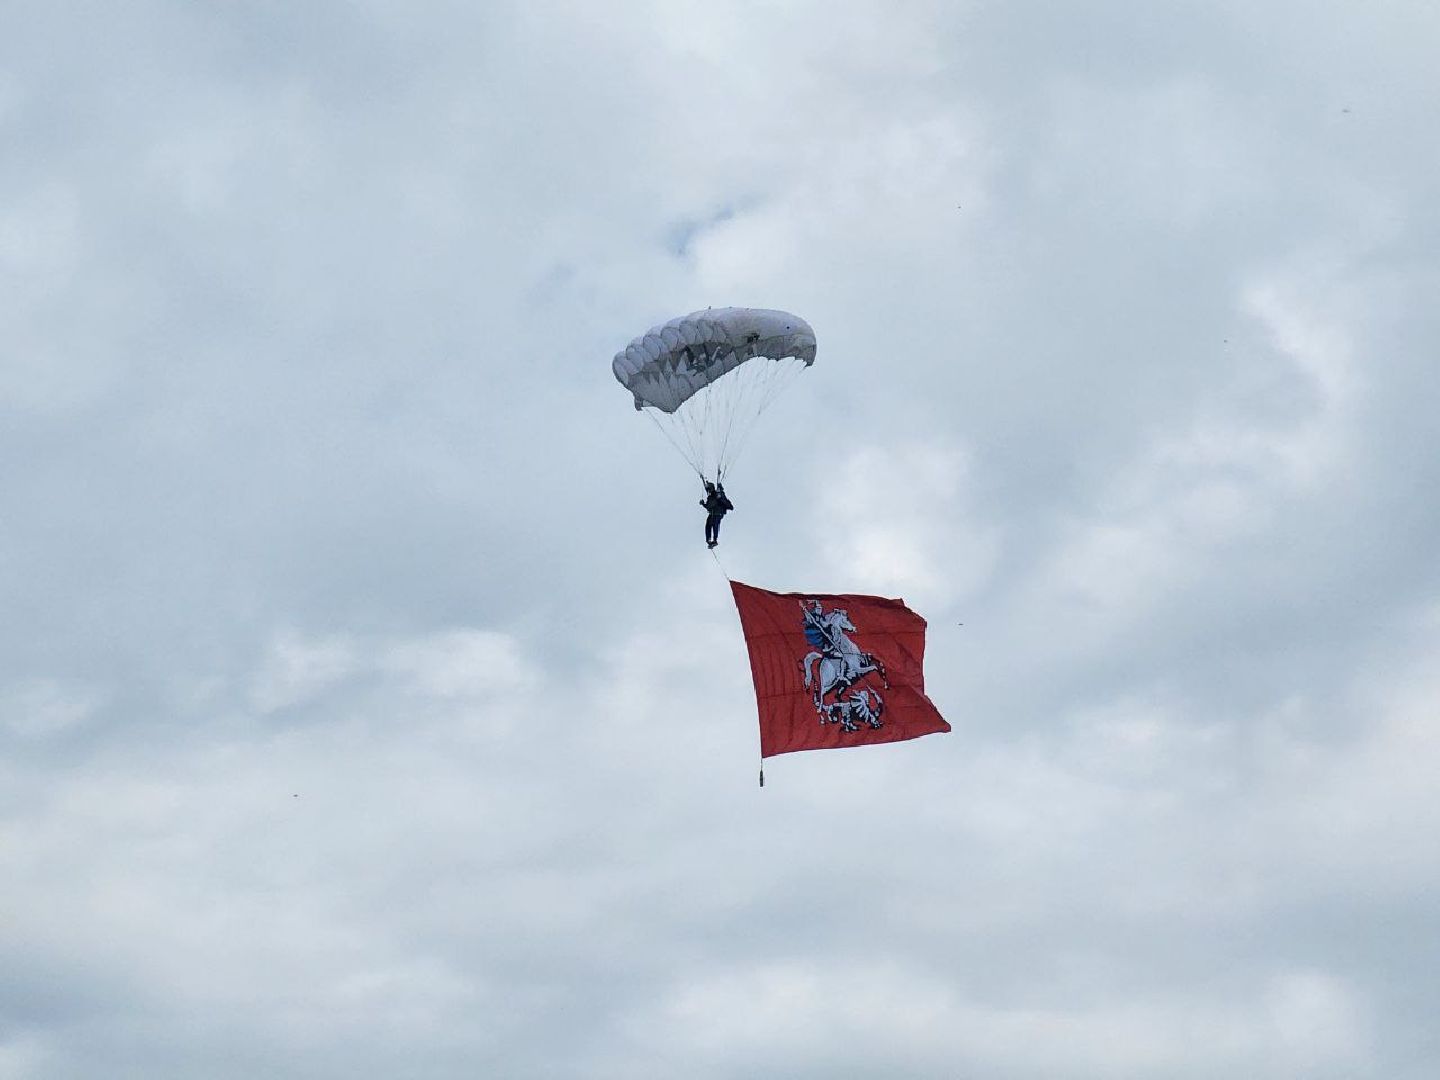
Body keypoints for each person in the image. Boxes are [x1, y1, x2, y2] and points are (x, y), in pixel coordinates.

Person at [700, 480, 733, 548]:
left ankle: (714, 540)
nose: (708, 491)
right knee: (708, 525)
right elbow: (709, 505)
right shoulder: (711, 495)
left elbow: (710, 505)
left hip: (718, 513)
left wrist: (703, 504)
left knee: (715, 525)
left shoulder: (717, 494)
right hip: (713, 513)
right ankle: (709, 539)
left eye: (709, 489)